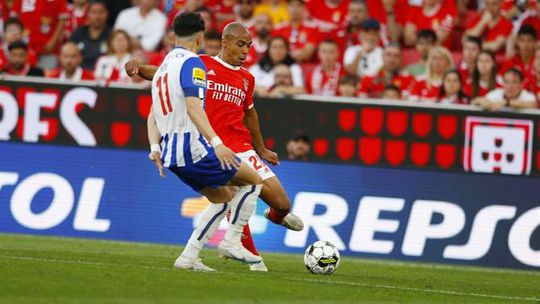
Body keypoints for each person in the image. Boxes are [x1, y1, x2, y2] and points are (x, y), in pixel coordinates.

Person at [126, 22, 304, 272]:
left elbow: (250, 116)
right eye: (240, 45)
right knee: (234, 195)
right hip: (214, 146)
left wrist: (261, 149)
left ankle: (275, 217)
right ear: (225, 43)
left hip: (242, 147)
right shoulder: (202, 64)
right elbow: (163, 72)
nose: (245, 51)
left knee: (281, 203)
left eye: (249, 46)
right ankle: (251, 257)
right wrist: (137, 68)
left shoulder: (247, 79)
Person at [143, 13, 264, 271]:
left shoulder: (164, 66)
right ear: (200, 38)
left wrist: (154, 147)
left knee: (223, 198)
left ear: (174, 35)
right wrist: (217, 142)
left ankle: (187, 258)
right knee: (255, 181)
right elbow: (193, 107)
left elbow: (153, 113)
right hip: (193, 148)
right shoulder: (193, 64)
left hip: (171, 154)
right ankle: (231, 241)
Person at [11, 0, 69, 69]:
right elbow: (14, 18)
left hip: (48, 49)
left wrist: (53, 41)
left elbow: (62, 18)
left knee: (46, 77)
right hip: (25, 48)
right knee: (25, 75)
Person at [70, 0, 111, 70]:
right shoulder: (78, 33)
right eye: (94, 12)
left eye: (101, 12)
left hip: (103, 74)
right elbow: (69, 54)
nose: (97, 16)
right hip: (79, 75)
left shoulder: (112, 35)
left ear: (107, 14)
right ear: (88, 14)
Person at [472, 68, 537, 110]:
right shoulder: (498, 93)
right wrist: (484, 102)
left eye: (514, 82)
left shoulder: (527, 95)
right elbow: (475, 101)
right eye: (507, 82)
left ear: (521, 85)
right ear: (503, 84)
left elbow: (533, 105)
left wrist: (506, 102)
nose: (510, 86)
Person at [500, 25, 537, 92]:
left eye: (529, 40)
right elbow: (500, 84)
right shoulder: (510, 62)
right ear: (517, 42)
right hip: (515, 99)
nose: (526, 44)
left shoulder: (538, 62)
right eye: (522, 40)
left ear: (535, 43)